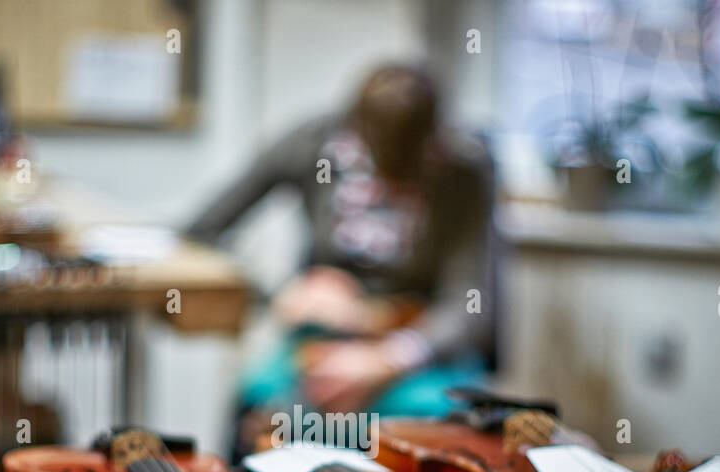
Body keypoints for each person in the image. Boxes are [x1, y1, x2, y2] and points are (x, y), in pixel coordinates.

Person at [185, 63, 497, 450]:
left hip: (420, 341)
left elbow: (471, 304)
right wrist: (282, 294)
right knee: (261, 413)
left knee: (441, 432)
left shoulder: (465, 169)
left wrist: (390, 358)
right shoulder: (311, 145)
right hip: (320, 340)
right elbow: (201, 233)